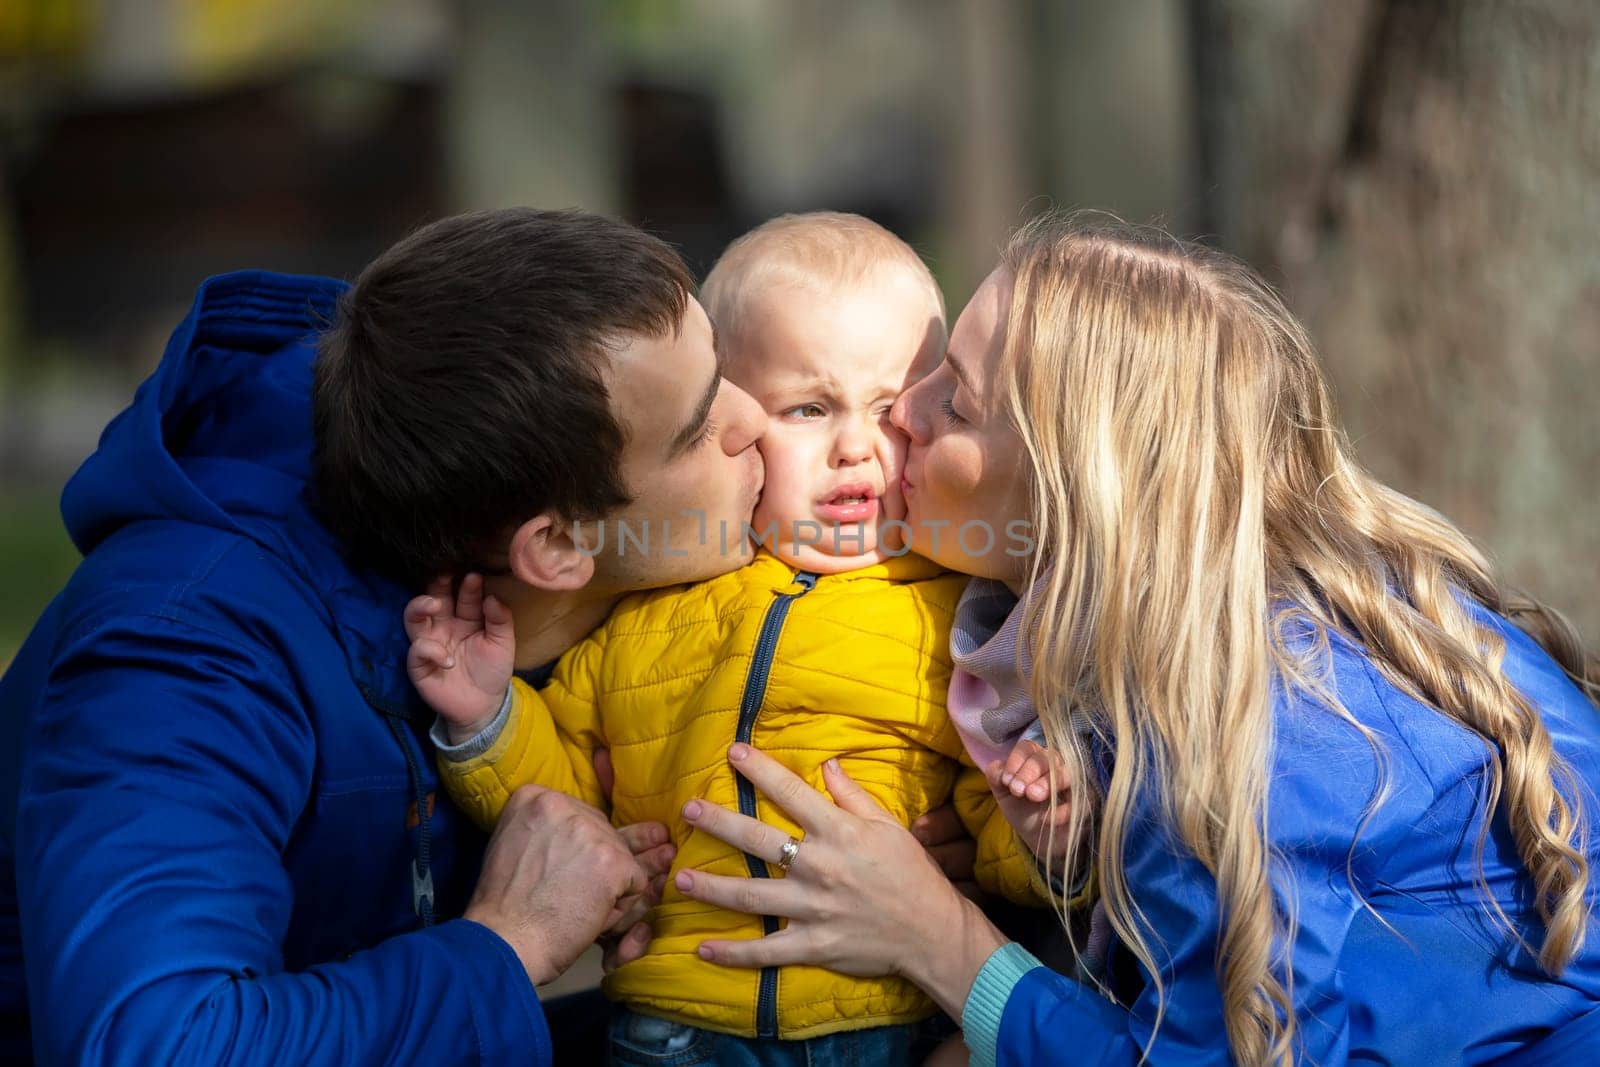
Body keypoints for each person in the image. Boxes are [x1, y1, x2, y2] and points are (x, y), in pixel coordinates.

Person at [666, 212, 1600, 1065]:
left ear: (1070, 489)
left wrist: (938, 935)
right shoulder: (1251, 605)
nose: (901, 417)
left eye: (950, 401)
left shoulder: (1231, 720)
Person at [0, 208, 767, 1064]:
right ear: (554, 546)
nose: (759, 419)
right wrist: (510, 943)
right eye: (698, 428)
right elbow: (156, 1045)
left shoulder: (529, 528)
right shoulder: (181, 656)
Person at [404, 213, 1056, 1064]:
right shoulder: (649, 608)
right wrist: (489, 721)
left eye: (890, 408)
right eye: (809, 408)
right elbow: (563, 810)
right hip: (672, 1025)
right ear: (735, 421)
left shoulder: (956, 617)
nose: (857, 446)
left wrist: (1044, 827)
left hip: (876, 1023)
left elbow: (991, 824)